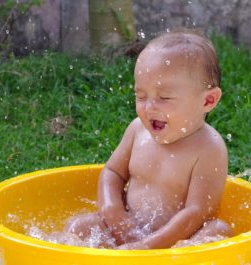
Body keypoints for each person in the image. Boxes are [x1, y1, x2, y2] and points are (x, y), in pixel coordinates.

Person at [65, 29, 232, 249]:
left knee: (219, 232)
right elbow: (112, 172)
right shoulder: (137, 130)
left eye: (164, 97)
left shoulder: (209, 148)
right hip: (128, 231)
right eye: (140, 96)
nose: (149, 107)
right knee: (78, 226)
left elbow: (197, 212)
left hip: (176, 243)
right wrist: (113, 212)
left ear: (208, 101)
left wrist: (149, 246)